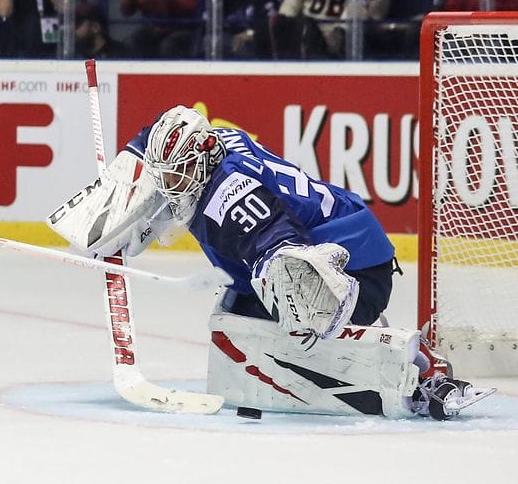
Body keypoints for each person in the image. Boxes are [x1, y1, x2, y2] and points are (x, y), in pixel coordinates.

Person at [48, 104, 493, 420]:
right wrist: (116, 194)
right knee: (236, 315)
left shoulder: (229, 198)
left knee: (269, 325)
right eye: (163, 175)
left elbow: (279, 247)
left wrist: (296, 298)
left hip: (350, 271)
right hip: (359, 245)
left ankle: (417, 368)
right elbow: (155, 137)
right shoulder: (216, 143)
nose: (169, 186)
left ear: (201, 161)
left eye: (177, 175)